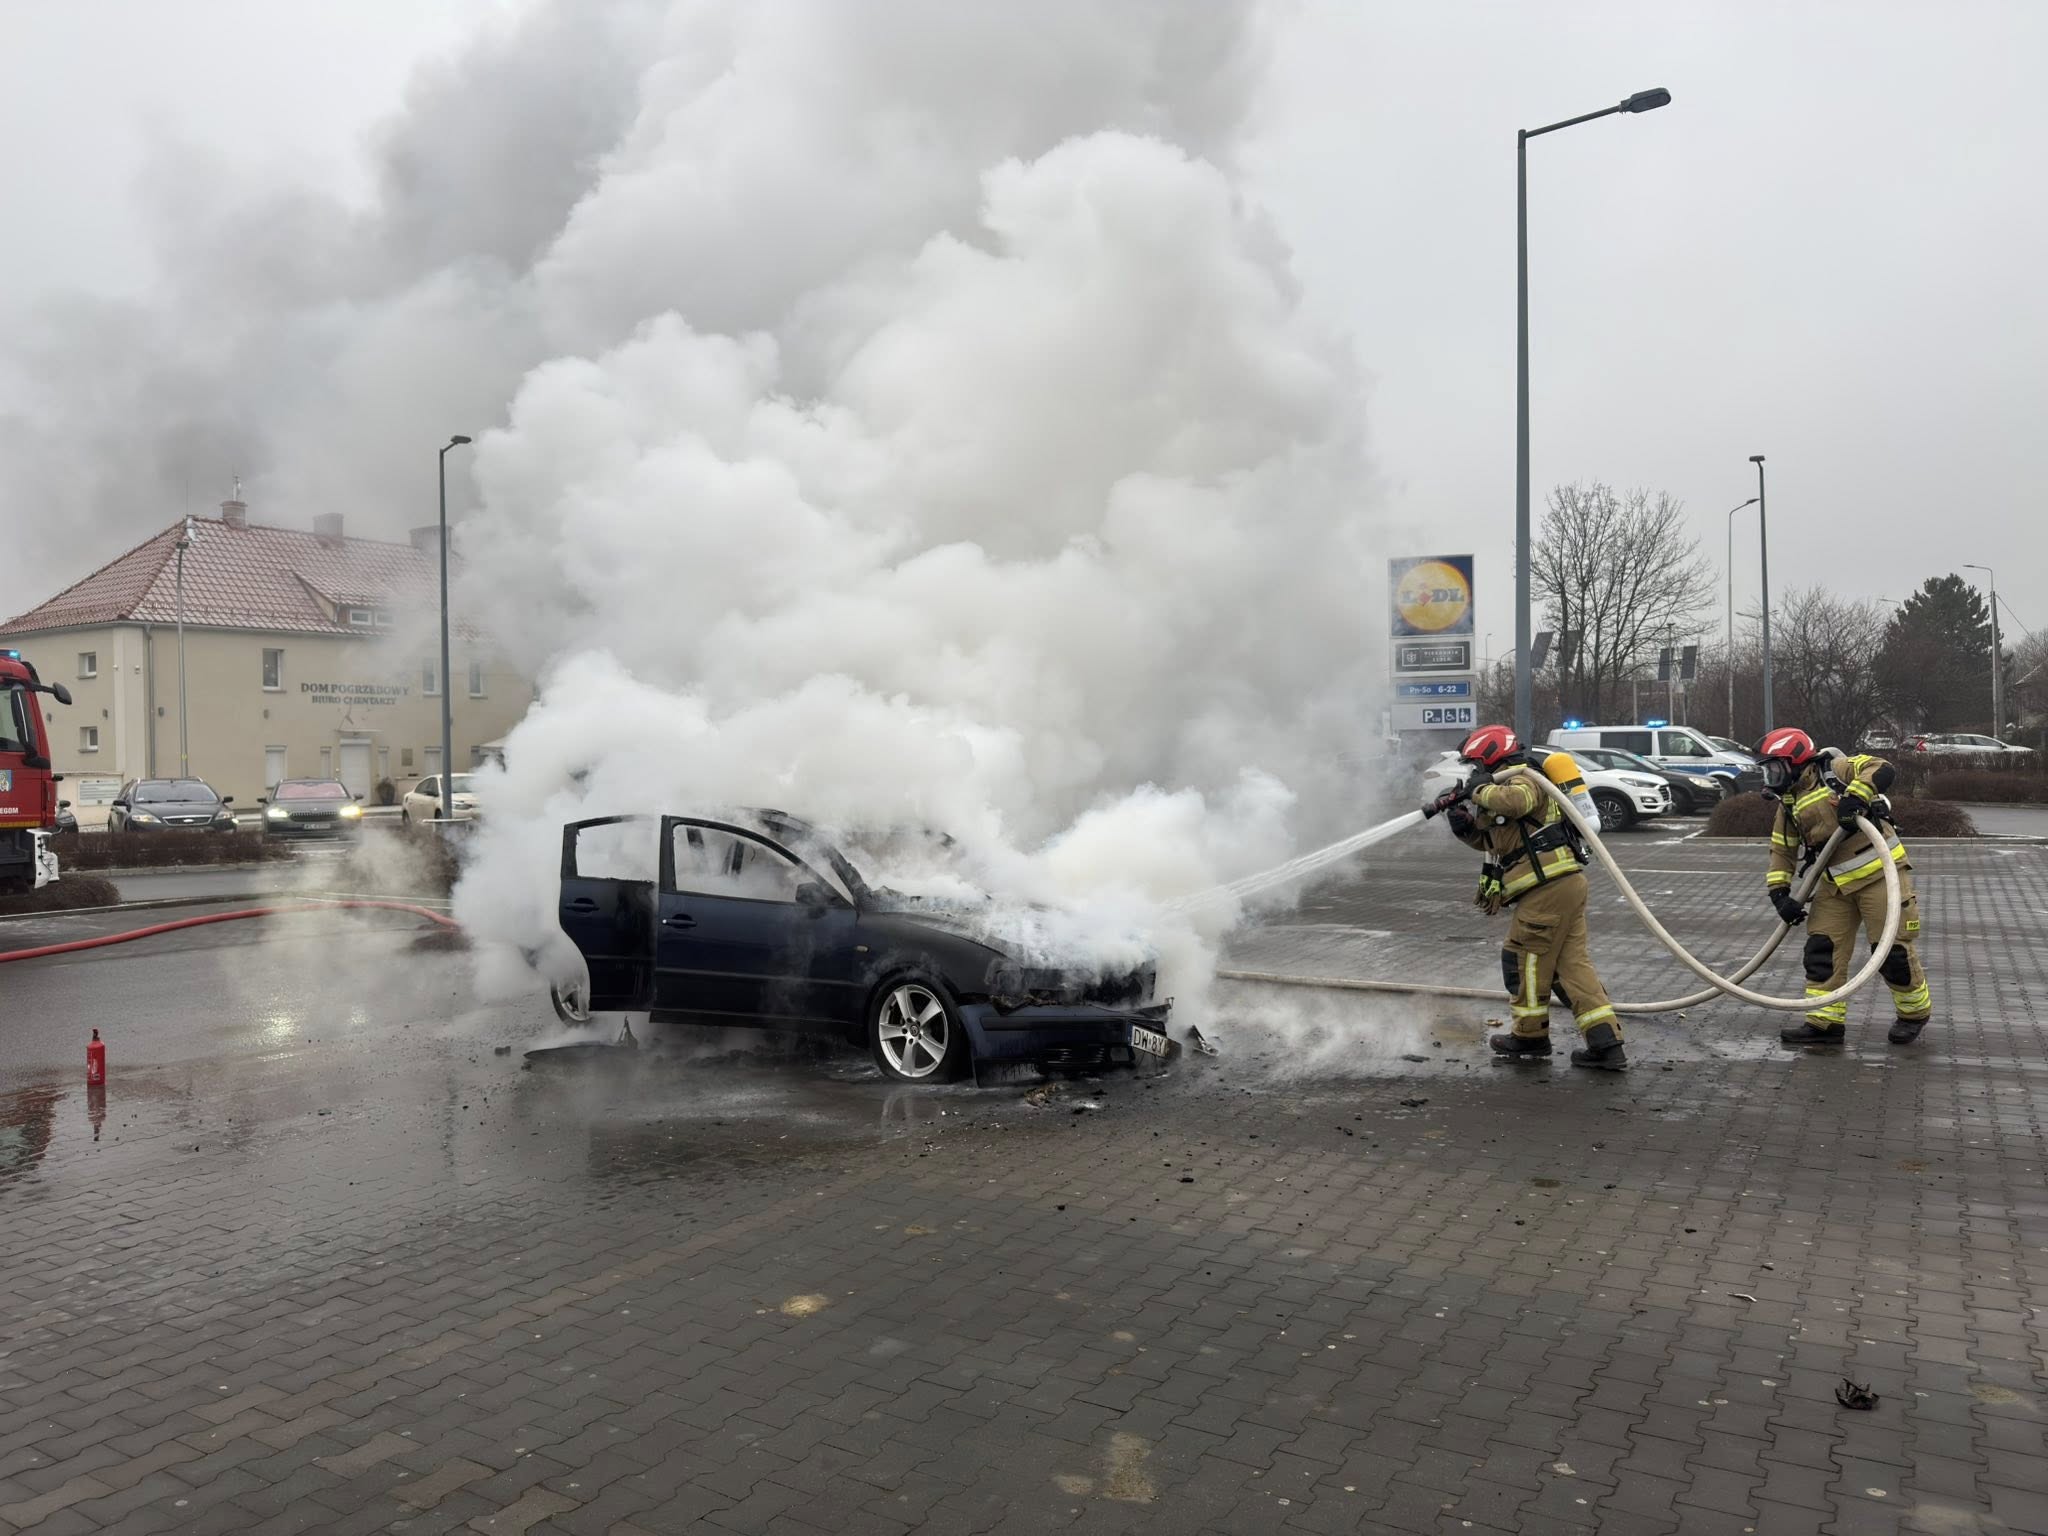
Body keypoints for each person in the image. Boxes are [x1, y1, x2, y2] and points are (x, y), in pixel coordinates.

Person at [1424, 725, 1626, 1070]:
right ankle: (1606, 1045)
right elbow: (1500, 844)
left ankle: (1529, 1038)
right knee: (1571, 968)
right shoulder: (1501, 786)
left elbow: (1517, 802)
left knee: (1522, 960)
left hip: (1547, 888)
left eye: (1476, 764)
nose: (1475, 772)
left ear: (1491, 753)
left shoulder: (1525, 777)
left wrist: (1479, 791)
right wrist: (1465, 828)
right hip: (1561, 886)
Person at [1755, 728, 1930, 1046]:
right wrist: (1779, 894)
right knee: (1822, 951)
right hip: (1834, 885)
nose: (1771, 776)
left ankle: (1913, 1013)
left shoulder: (1835, 770)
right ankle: (1824, 1022)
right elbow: (1782, 849)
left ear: (1796, 760)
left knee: (1891, 952)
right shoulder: (1790, 801)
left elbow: (1881, 767)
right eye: (1767, 769)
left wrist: (1856, 796)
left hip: (1880, 875)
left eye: (1775, 768)